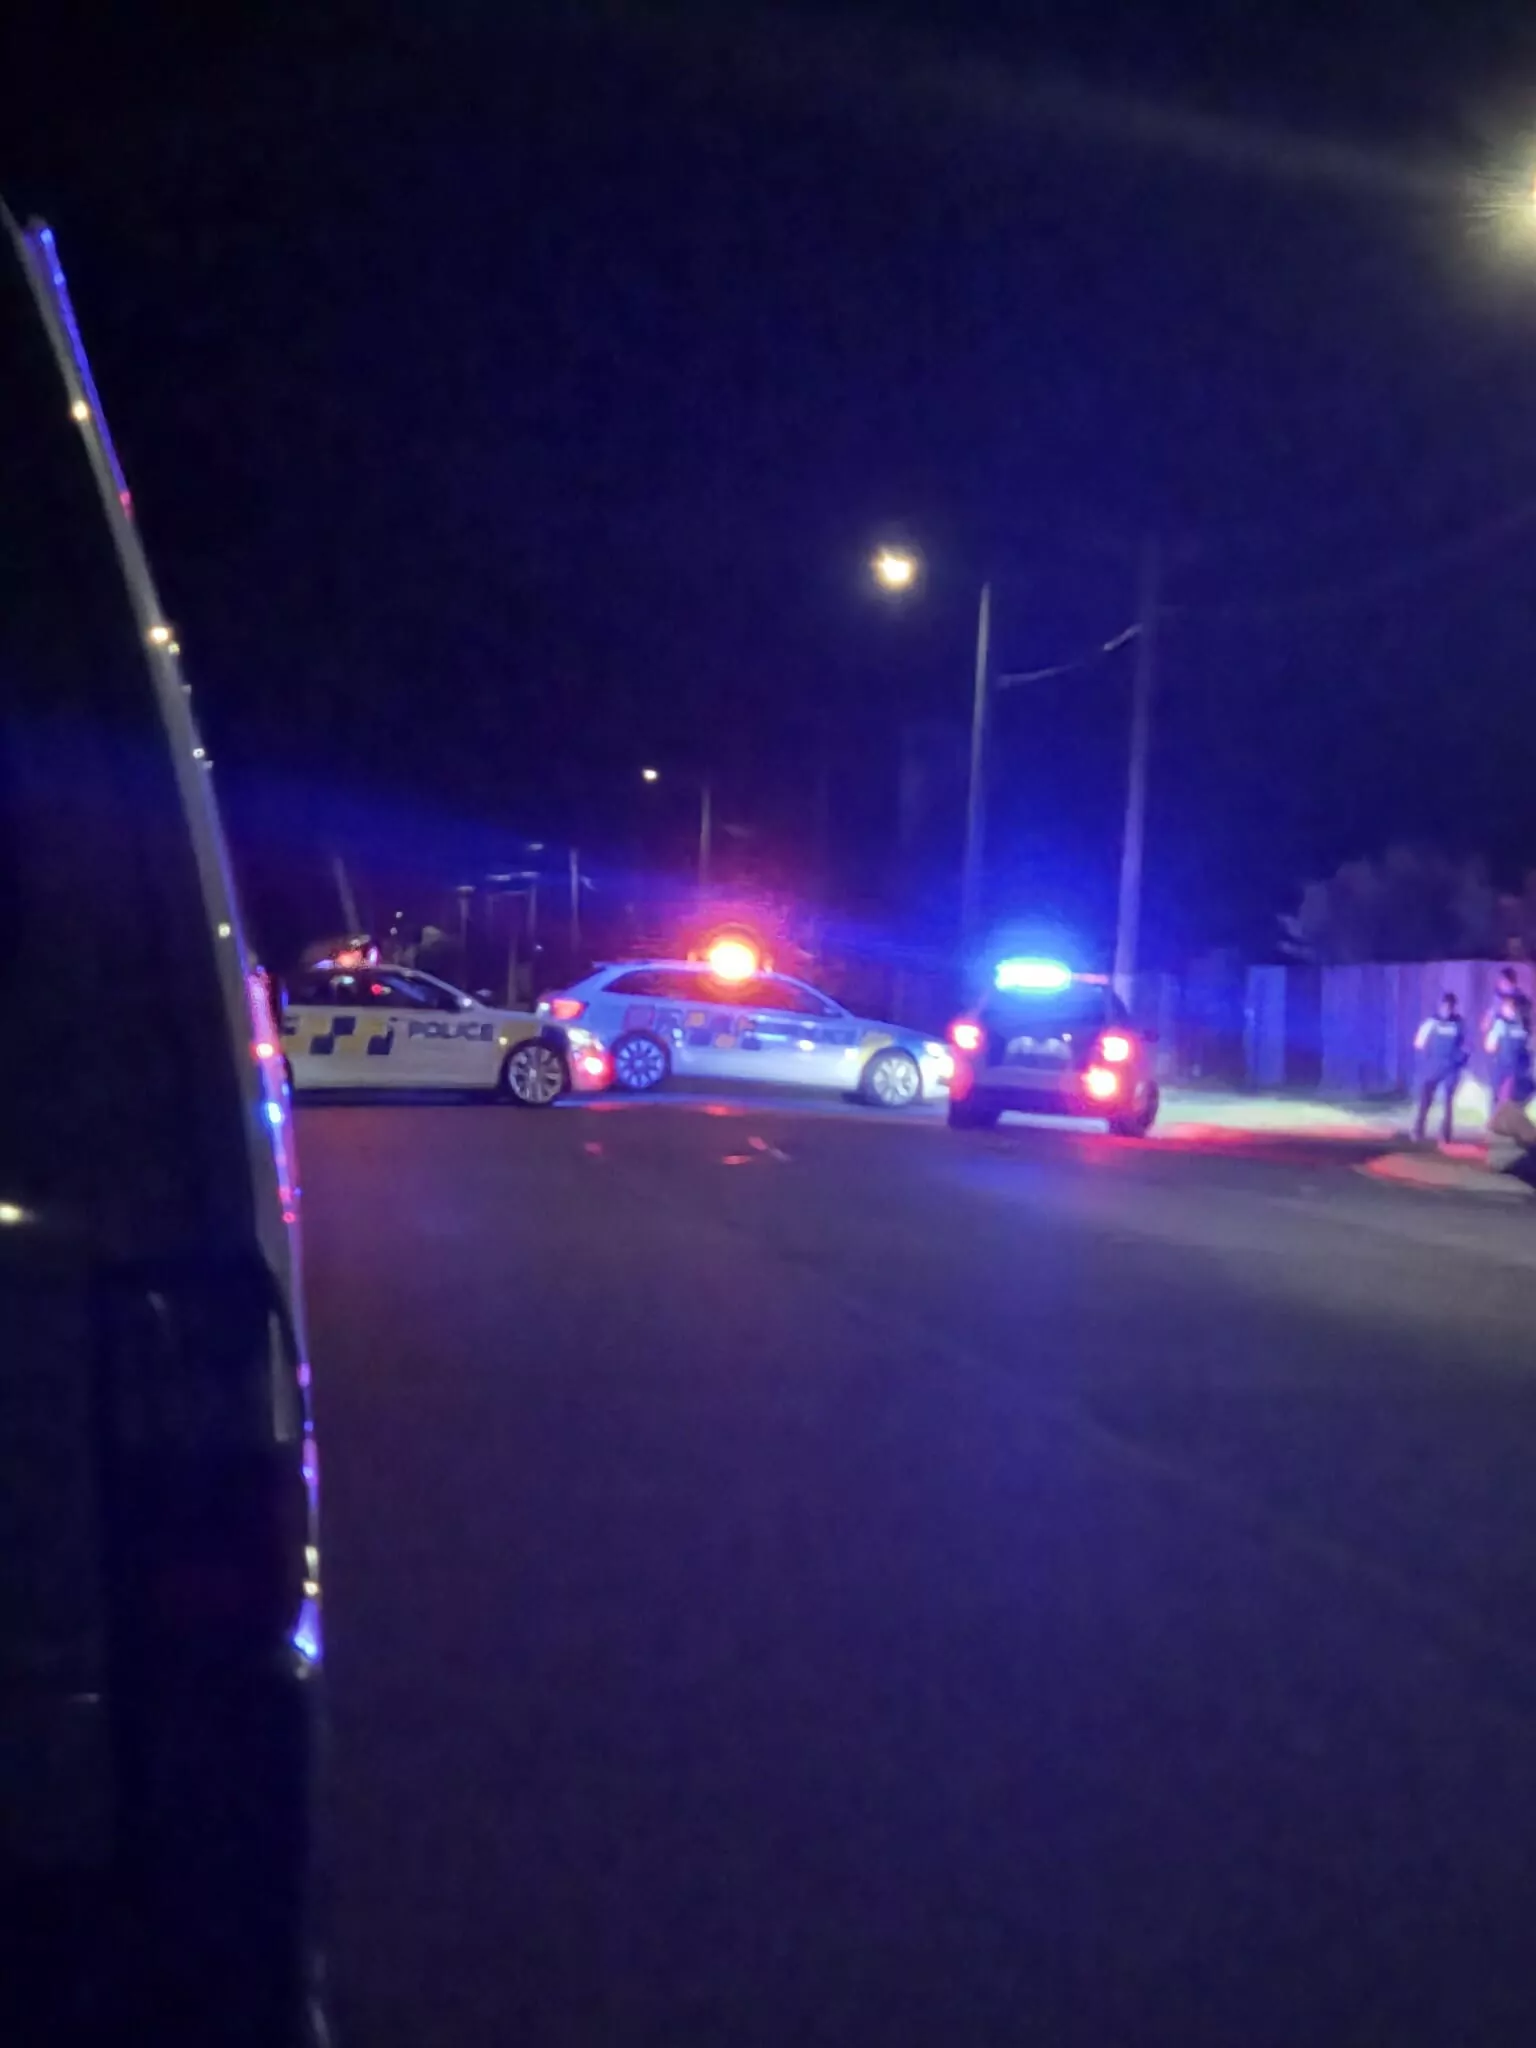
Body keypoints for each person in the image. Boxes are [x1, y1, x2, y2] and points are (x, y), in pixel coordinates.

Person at [1413, 991, 1468, 1143]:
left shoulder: (1459, 1023)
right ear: (1441, 1006)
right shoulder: (1432, 1021)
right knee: (1425, 1099)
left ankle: (1446, 1134)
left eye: (1450, 1007)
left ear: (1454, 1007)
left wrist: (1460, 1059)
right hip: (1433, 1066)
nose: (1447, 1009)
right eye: (1445, 1006)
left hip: (1450, 1067)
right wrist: (1428, 1057)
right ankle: (1418, 1130)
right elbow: (1419, 1042)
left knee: (1448, 1101)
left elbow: (1466, 1045)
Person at [1485, 990, 1535, 1111]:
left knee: (1508, 1100)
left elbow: (1490, 1046)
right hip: (1509, 1069)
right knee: (1503, 1099)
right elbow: (1490, 1046)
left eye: (1508, 1006)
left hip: (1514, 1071)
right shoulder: (1504, 1024)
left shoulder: (1517, 1025)